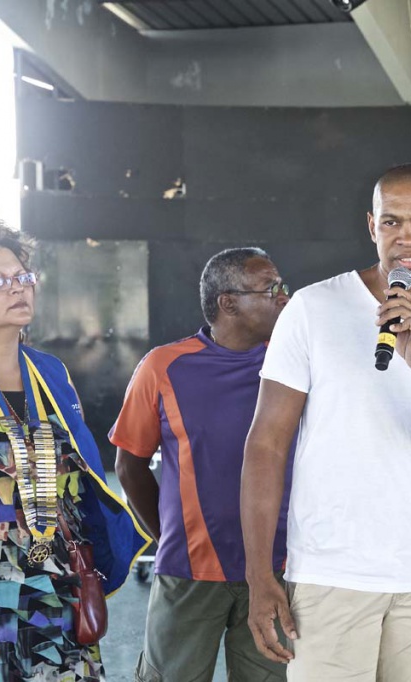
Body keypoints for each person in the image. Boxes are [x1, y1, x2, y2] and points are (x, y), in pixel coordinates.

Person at [241, 164, 411, 681]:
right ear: (371, 226)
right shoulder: (313, 307)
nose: (407, 237)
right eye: (391, 222)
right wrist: (258, 574)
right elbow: (266, 444)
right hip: (329, 575)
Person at [0, 220, 150, 679]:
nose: (17, 288)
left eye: (23, 277)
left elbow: (82, 477)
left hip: (55, 580)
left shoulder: (50, 372)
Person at [110, 247, 292, 681]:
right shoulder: (162, 366)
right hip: (189, 571)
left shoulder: (293, 362)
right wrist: (171, 539)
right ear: (228, 303)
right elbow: (129, 466)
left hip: (278, 567)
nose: (284, 298)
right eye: (270, 289)